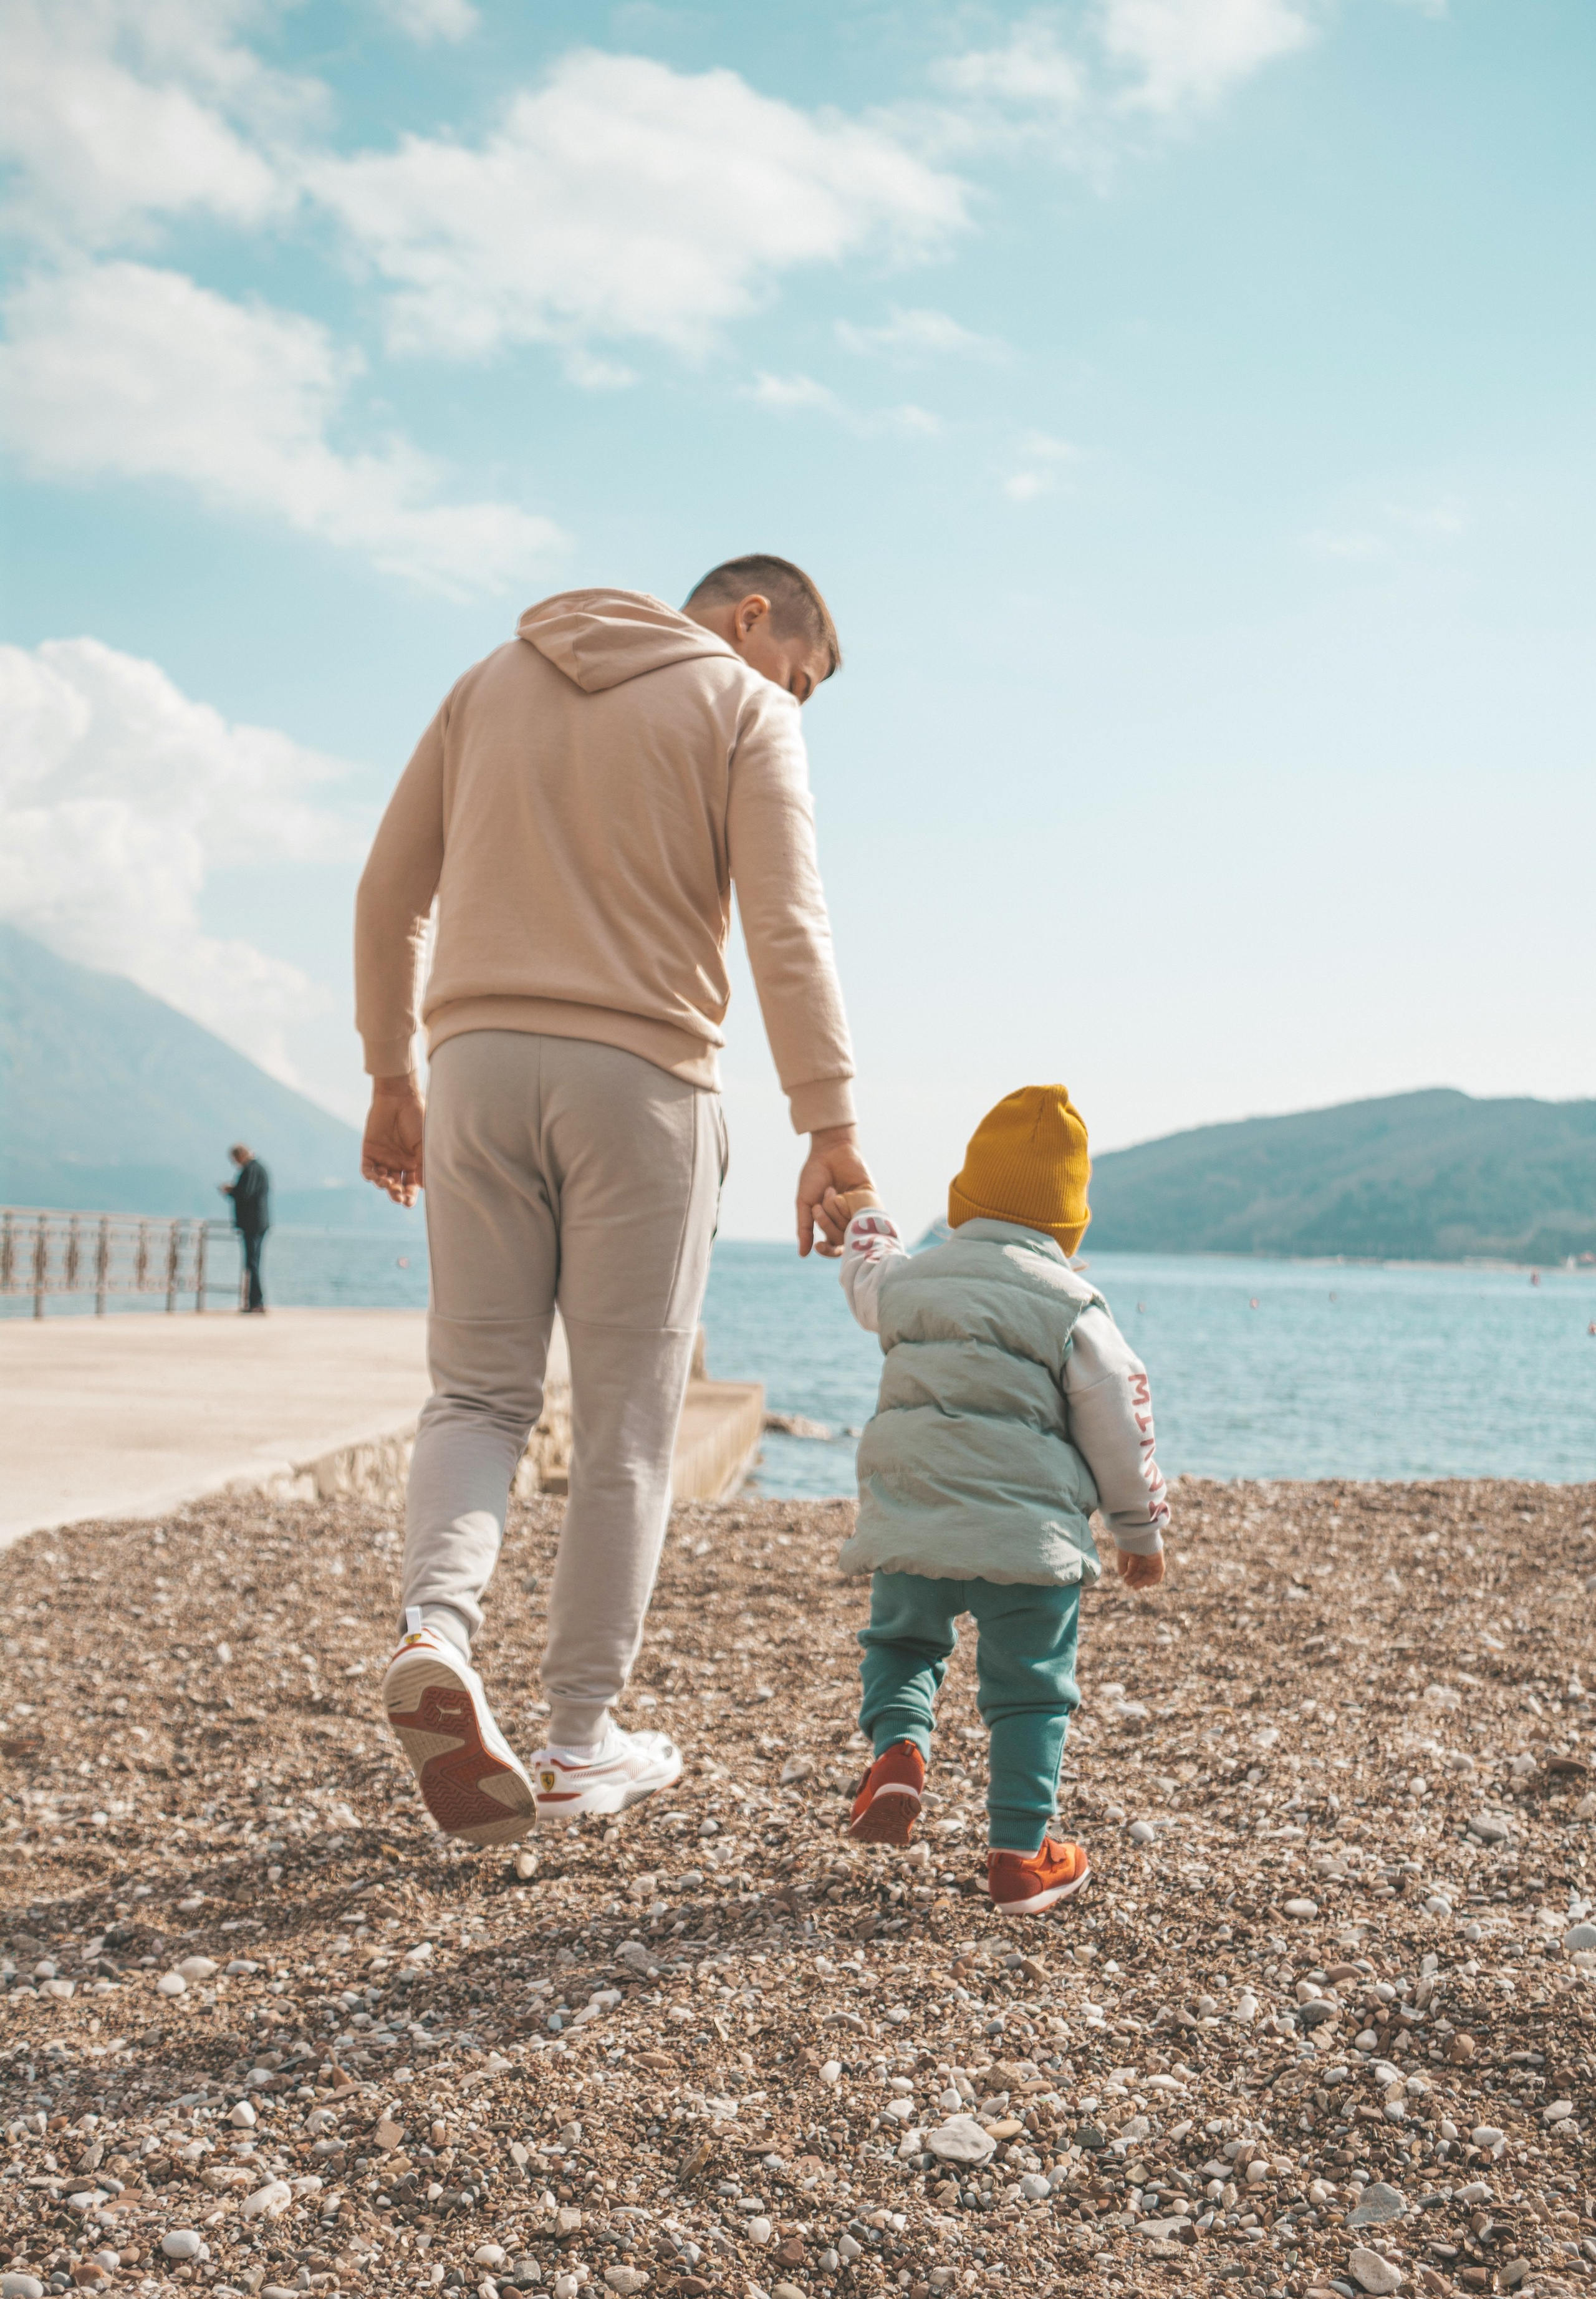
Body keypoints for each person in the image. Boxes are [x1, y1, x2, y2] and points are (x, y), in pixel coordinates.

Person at [355, 562, 870, 1846]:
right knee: (629, 1429)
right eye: (798, 670)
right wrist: (832, 1132)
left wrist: (387, 1072)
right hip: (640, 1081)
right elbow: (785, 930)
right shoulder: (744, 710)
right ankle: (581, 1741)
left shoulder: (491, 676)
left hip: (470, 1069)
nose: (790, 693)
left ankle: (437, 1631)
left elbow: (385, 893)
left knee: (475, 1394)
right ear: (754, 619)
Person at [819, 1085, 1170, 1915]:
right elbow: (1121, 1418)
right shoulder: (1072, 1307)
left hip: (912, 1520)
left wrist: (865, 1210)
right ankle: (1019, 1855)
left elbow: (868, 1269)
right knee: (1030, 1690)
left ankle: (900, 1752)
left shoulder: (913, 1282)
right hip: (1027, 1541)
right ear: (1070, 1229)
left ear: (961, 1204)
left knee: (903, 1644)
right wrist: (1140, 1530)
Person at [221, 1145, 271, 1313]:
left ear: (241, 1155)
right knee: (254, 1262)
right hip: (260, 1222)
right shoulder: (259, 1168)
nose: (236, 1164)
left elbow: (245, 1194)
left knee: (252, 1263)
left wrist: (231, 1191)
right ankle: (255, 1301)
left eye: (235, 1160)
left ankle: (256, 1302)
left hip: (253, 1223)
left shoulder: (251, 1170)